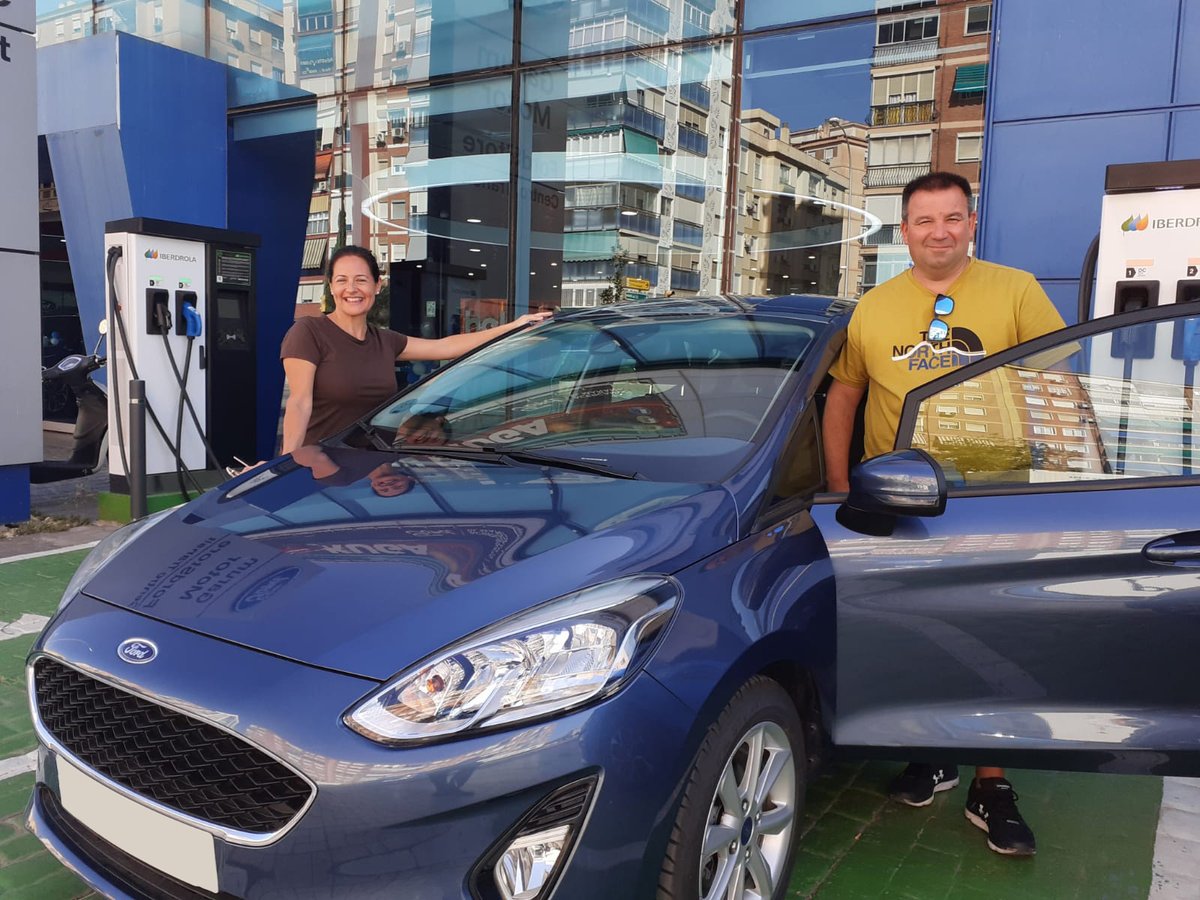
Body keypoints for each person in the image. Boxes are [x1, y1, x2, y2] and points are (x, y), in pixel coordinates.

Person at [822, 171, 1066, 857]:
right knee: (917, 635)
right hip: (896, 501)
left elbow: (1054, 391)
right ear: (903, 232)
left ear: (971, 223)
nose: (938, 232)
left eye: (951, 218)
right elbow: (844, 396)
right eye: (924, 221)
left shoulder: (1016, 290)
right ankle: (933, 753)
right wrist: (845, 487)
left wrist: (1057, 488)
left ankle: (991, 782)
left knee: (993, 644)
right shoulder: (872, 306)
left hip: (991, 498)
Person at [280, 245, 552, 454]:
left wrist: (514, 327)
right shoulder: (309, 332)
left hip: (372, 467)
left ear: (377, 285)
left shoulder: (385, 341)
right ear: (331, 287)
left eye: (361, 280)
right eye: (341, 280)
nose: (351, 289)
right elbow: (299, 403)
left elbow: (444, 347)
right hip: (320, 467)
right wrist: (286, 464)